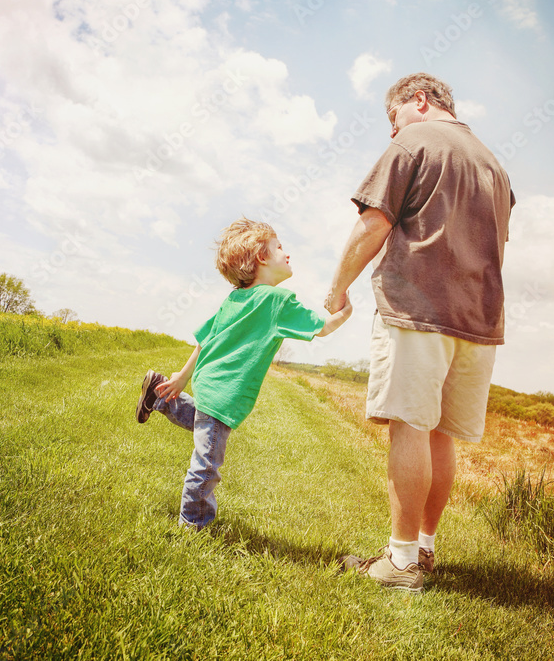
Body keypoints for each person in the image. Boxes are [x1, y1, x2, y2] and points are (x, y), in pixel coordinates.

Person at [327, 73, 514, 592]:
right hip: (478, 321)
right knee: (439, 434)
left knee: (409, 425)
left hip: (418, 310)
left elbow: (374, 222)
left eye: (393, 118)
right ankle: (424, 549)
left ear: (420, 101)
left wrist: (336, 289)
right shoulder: (494, 166)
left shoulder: (416, 140)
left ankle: (401, 562)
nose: (392, 133)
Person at [136, 217, 353, 530]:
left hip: (211, 384)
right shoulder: (278, 300)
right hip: (225, 393)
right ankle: (193, 525)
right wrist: (345, 312)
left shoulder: (234, 299)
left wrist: (182, 377)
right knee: (207, 464)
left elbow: (204, 339)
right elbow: (323, 328)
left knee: (202, 422)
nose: (287, 253)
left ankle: (160, 395)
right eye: (280, 247)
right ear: (262, 258)